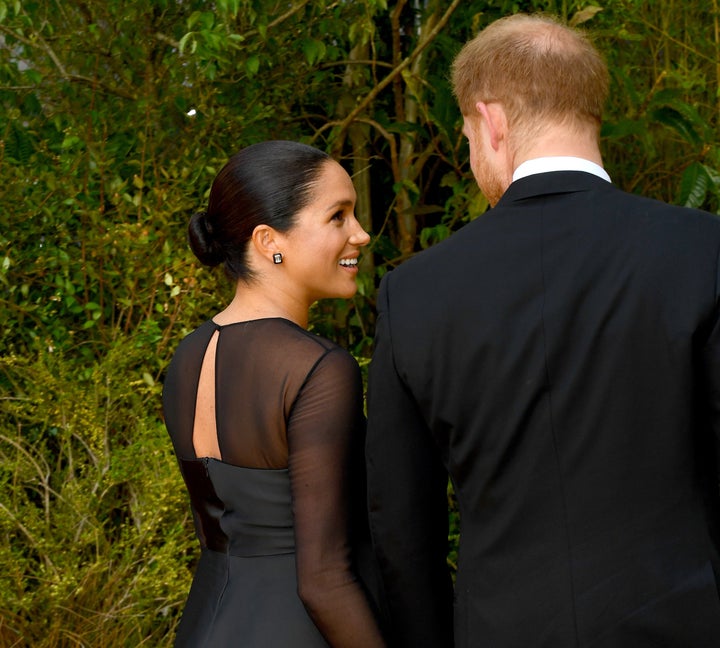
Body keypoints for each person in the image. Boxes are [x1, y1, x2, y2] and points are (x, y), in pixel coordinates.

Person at [366, 13, 720, 648]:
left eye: (468, 133)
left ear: (493, 122)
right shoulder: (704, 251)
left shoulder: (413, 293)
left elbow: (403, 529)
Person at [163, 140, 386, 647]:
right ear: (269, 241)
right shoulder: (317, 369)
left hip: (204, 626)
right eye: (338, 217)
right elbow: (324, 580)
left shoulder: (187, 358)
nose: (361, 234)